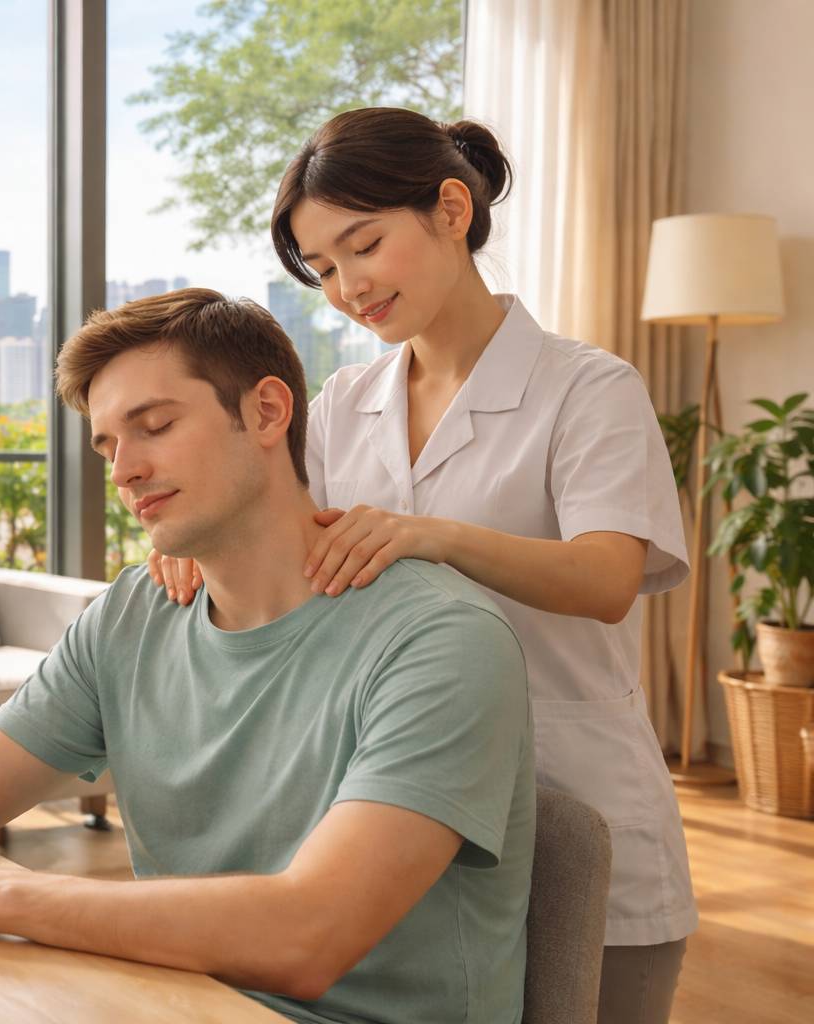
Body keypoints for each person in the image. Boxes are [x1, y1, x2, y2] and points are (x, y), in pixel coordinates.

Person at [0, 289, 535, 1023]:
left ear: (268, 412)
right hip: (169, 1003)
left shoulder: (441, 638)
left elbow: (309, 933)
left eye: (156, 426)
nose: (124, 471)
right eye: (108, 447)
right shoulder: (133, 616)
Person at [148, 107, 694, 1024]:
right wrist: (192, 547)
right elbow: (285, 539)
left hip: (578, 797)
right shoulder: (344, 401)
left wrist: (429, 535)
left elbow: (606, 580)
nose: (349, 286)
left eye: (364, 246)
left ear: (450, 210)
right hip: (399, 813)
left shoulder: (589, 387)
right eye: (323, 269)